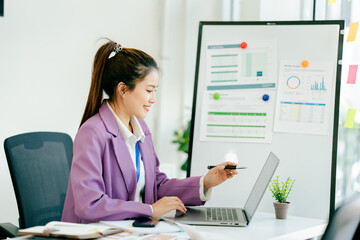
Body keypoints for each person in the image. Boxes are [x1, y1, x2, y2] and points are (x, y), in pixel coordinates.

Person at [61, 39, 238, 223]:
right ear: (123, 89)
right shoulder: (92, 133)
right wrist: (150, 209)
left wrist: (205, 182)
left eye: (155, 91)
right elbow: (89, 204)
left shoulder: (140, 128)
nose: (153, 99)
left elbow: (155, 186)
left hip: (131, 231)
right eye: (149, 90)